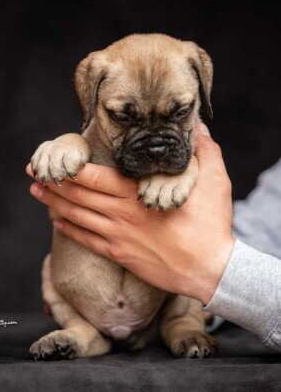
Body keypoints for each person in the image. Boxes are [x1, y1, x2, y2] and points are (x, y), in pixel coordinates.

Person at [26, 123, 281, 352]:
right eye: (124, 117)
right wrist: (69, 143)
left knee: (184, 319)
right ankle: (82, 332)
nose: (156, 143)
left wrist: (212, 270)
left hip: (159, 308)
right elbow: (259, 232)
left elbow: (212, 254)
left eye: (179, 113)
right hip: (85, 304)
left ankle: (180, 325)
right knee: (50, 274)